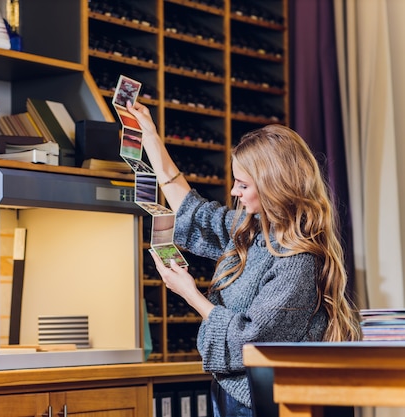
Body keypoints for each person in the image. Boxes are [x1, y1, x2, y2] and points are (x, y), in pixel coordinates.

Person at [126, 100, 362, 417]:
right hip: (236, 394)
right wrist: (150, 136)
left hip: (271, 404)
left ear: (273, 186)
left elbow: (251, 340)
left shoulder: (297, 262)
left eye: (243, 184)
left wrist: (190, 294)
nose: (234, 191)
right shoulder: (251, 232)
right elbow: (192, 211)